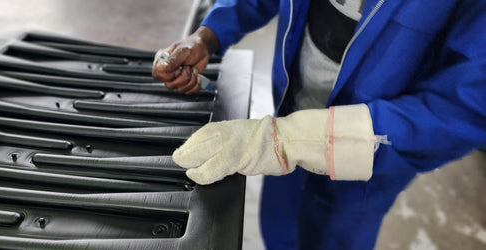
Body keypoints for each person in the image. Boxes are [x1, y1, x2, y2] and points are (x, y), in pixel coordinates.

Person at [152, 0, 486, 249]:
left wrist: (298, 141)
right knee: (279, 228)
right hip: (289, 110)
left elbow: (465, 107)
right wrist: (208, 34)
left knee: (334, 238)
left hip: (368, 162)